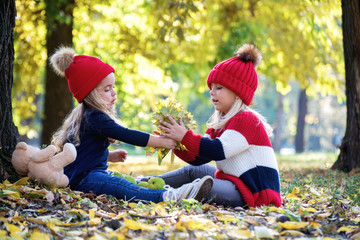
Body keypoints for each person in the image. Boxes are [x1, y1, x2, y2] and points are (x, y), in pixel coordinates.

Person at [49, 47, 213, 204]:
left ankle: (173, 190)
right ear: (90, 94)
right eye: (107, 89)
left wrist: (109, 157)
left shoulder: (87, 116)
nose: (114, 92)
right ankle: (168, 196)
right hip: (83, 179)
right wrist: (160, 141)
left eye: (113, 87)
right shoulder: (93, 116)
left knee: (123, 181)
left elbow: (84, 152)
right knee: (121, 186)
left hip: (89, 175)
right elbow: (126, 134)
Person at [152, 44, 282, 208]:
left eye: (219, 88)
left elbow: (218, 150)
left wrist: (184, 136)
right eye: (211, 88)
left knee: (203, 183)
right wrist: (176, 142)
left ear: (237, 93)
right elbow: (199, 157)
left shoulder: (246, 120)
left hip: (254, 194)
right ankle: (143, 184)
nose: (212, 92)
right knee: (194, 170)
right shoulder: (220, 123)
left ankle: (167, 194)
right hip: (233, 182)